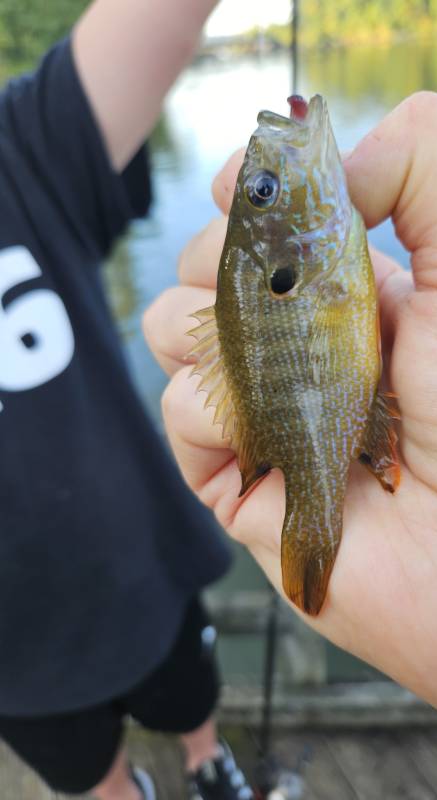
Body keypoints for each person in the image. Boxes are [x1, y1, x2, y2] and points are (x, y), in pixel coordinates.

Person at [144, 90, 437, 800]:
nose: (269, 177)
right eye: (265, 190)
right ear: (280, 241)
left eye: (262, 190)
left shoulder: (321, 240)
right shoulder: (317, 243)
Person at [0, 2, 254, 799]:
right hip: (15, 665)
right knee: (85, 769)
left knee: (191, 694)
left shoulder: (21, 149)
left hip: (145, 568)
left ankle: (208, 762)